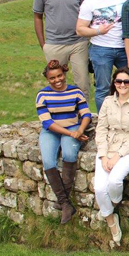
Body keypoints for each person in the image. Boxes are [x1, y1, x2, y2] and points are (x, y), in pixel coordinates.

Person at [93, 67, 129, 245]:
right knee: (100, 188)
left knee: (114, 181)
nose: (122, 85)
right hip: (107, 147)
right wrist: (103, 156)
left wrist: (118, 156)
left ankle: (110, 206)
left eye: (126, 82)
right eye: (118, 81)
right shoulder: (108, 102)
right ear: (114, 83)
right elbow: (101, 129)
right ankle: (111, 221)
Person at [36, 60, 91, 224]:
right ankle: (66, 203)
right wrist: (71, 133)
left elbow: (86, 114)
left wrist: (80, 130)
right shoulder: (42, 95)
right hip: (52, 131)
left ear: (64, 74)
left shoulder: (75, 91)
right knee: (48, 161)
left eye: (59, 76)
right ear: (48, 79)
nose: (57, 80)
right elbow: (47, 123)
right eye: (52, 78)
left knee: (69, 154)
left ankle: (63, 203)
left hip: (74, 127)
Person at [76, 0, 129, 111]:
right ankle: (104, 121)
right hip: (101, 48)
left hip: (123, 48)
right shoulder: (89, 2)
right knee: (103, 88)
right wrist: (98, 31)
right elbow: (80, 29)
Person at [33, 0, 89, 101]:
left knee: (82, 82)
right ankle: (60, 114)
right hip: (54, 44)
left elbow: (87, 13)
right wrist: (43, 45)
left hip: (78, 43)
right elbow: (38, 17)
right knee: (57, 83)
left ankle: (83, 115)